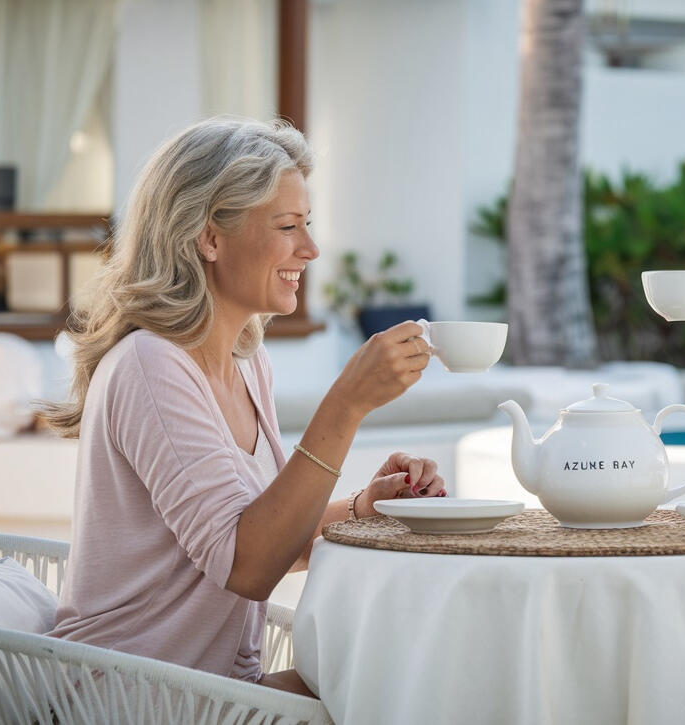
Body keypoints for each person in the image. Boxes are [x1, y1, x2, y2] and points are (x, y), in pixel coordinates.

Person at [42, 117, 445, 695]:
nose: (309, 248)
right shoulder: (150, 366)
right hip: (129, 697)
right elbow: (248, 566)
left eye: (307, 224)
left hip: (208, 689)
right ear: (209, 237)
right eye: (287, 226)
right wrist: (347, 403)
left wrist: (363, 506)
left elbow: (264, 537)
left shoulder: (247, 363)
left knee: (414, 680)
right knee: (403, 695)